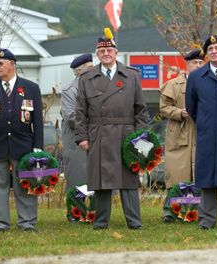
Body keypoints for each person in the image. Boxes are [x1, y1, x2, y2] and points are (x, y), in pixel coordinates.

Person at [75, 31, 149, 230]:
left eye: (109, 50)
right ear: (97, 54)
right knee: (101, 181)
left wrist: (140, 139)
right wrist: (82, 137)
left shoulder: (131, 76)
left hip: (127, 135)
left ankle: (134, 222)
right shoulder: (87, 78)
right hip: (98, 134)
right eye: (101, 50)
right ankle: (100, 223)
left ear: (116, 52)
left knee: (129, 180)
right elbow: (80, 111)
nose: (106, 53)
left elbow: (140, 110)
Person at [0, 48, 44, 232]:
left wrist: (38, 146)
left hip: (23, 146)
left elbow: (38, 121)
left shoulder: (30, 88)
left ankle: (27, 222)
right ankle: (0, 223)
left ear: (12, 64)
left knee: (24, 185)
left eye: (0, 63)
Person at [159, 49, 205, 223]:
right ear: (187, 64)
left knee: (198, 176)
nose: (198, 65)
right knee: (178, 175)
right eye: (195, 62)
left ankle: (192, 212)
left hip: (200, 134)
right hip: (179, 135)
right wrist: (179, 112)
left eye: (201, 63)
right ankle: (170, 211)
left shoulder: (209, 83)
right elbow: (163, 108)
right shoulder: (173, 84)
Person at [186, 34, 217, 230]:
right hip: (207, 135)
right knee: (207, 178)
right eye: (211, 49)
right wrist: (205, 122)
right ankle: (207, 220)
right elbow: (191, 107)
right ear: (207, 54)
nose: (214, 51)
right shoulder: (196, 77)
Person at [61, 53, 94, 222]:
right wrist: (96, 122)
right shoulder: (70, 91)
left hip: (94, 141)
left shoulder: (97, 88)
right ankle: (76, 214)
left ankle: (94, 214)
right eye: (89, 68)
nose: (93, 70)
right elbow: (71, 117)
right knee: (77, 179)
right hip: (76, 143)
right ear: (78, 72)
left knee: (94, 179)